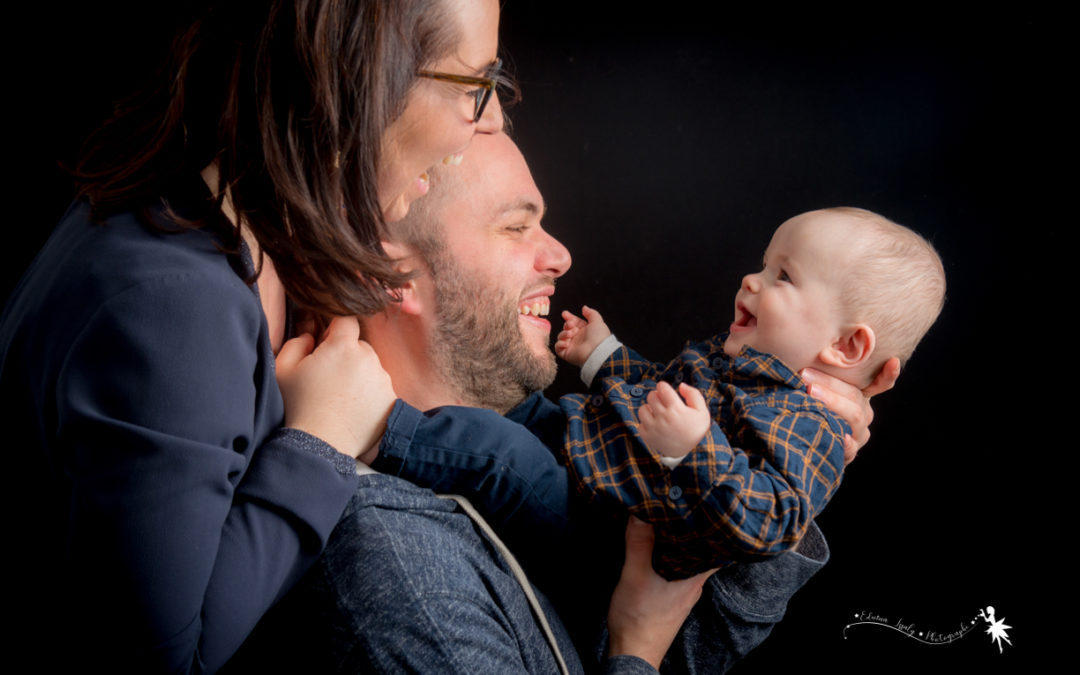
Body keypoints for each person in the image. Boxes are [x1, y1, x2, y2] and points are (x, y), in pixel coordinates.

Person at [243, 132, 896, 673]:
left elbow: (690, 644)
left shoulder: (536, 434)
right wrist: (638, 645)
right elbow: (653, 641)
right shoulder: (402, 572)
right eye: (516, 225)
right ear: (391, 276)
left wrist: (797, 461)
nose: (560, 254)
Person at [0, 0, 505, 671]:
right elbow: (167, 658)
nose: (492, 119)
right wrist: (320, 442)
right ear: (355, 80)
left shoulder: (222, 217)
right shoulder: (173, 308)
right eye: (476, 85)